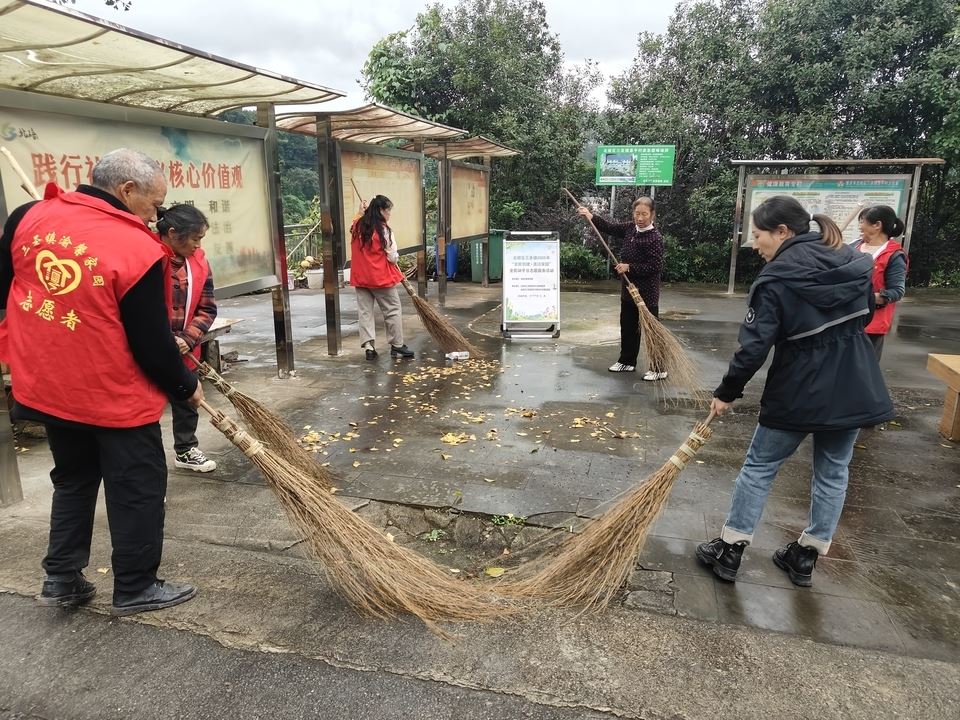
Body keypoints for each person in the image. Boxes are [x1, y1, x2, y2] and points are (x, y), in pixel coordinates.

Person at [0, 148, 203, 616]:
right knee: (137, 488)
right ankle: (135, 586)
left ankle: (62, 579)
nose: (158, 216)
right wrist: (183, 384)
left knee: (73, 478)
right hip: (112, 395)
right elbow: (151, 343)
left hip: (48, 386)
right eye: (154, 204)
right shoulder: (138, 249)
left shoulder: (29, 217)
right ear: (127, 190)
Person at [695, 195, 894, 587]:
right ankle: (806, 557)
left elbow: (754, 347)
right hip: (854, 381)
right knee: (833, 472)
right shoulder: (854, 261)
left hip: (799, 385)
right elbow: (866, 316)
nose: (755, 244)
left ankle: (731, 549)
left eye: (757, 235)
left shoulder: (776, 278)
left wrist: (726, 392)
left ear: (782, 232)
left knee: (760, 466)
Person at [156, 204, 217, 473]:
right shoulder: (148, 258)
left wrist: (188, 338)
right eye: (194, 238)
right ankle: (150, 465)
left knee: (187, 399)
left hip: (184, 349)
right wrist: (162, 340)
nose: (197, 245)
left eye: (200, 239)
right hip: (151, 348)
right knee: (146, 409)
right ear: (172, 233)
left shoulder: (199, 263)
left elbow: (207, 308)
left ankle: (185, 449)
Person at [577, 197, 665, 379]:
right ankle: (627, 361)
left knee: (652, 331)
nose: (640, 218)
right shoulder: (630, 228)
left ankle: (658, 368)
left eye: (644, 214)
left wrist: (629, 267)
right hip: (628, 291)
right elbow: (609, 227)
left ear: (652, 215)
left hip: (646, 293)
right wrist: (590, 216)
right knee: (628, 327)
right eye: (637, 214)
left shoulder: (654, 237)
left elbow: (654, 266)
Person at [350, 194, 414, 360]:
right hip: (380, 278)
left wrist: (359, 212)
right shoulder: (384, 231)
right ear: (380, 210)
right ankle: (397, 345)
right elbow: (392, 257)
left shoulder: (357, 225)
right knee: (392, 309)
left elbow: (355, 221)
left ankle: (369, 348)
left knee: (365, 312)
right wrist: (393, 257)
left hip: (361, 277)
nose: (389, 214)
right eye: (388, 210)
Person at [854, 205, 908, 360]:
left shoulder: (894, 255)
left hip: (871, 325)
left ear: (877, 225)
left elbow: (897, 291)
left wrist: (866, 297)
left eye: (863, 221)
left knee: (865, 372)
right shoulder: (854, 247)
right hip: (846, 321)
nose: (860, 226)